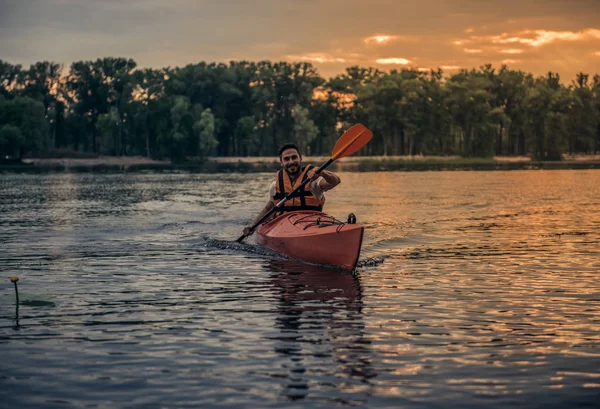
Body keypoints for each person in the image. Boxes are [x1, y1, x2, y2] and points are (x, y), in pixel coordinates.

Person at [242, 143, 341, 236]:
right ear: (281, 162)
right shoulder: (275, 185)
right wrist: (253, 226)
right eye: (286, 159)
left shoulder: (314, 181)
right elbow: (269, 209)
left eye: (294, 157)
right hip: (283, 228)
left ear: (300, 158)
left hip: (312, 224)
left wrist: (322, 172)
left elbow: (335, 181)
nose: (291, 162)